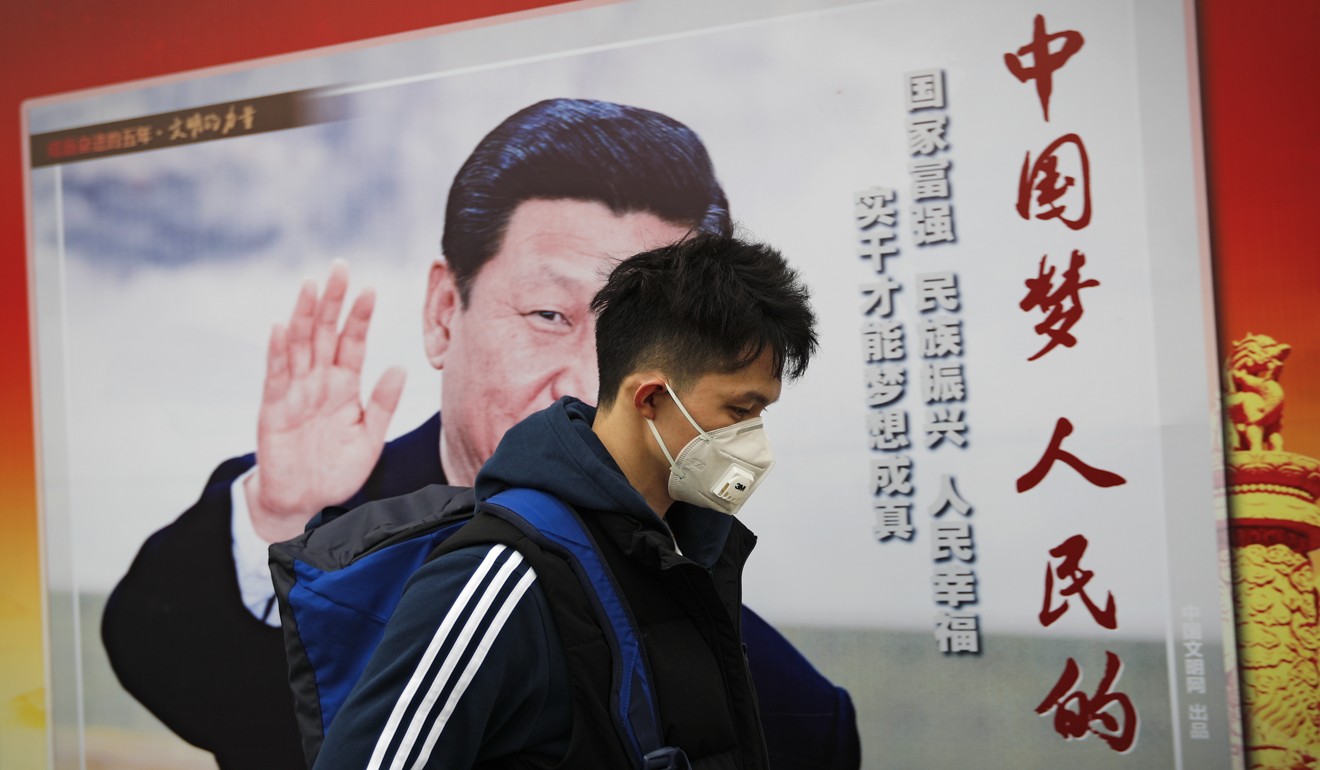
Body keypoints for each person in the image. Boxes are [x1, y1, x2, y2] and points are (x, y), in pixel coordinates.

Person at [103, 99, 858, 769]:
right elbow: (158, 657)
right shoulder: (314, 523)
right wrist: (276, 514)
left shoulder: (796, 711)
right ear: (442, 314)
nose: (589, 389)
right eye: (548, 317)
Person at [317, 233, 815, 769]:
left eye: (762, 413)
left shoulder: (687, 552)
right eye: (740, 411)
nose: (754, 439)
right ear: (648, 397)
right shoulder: (502, 576)